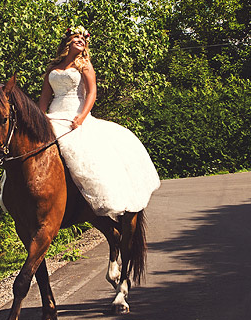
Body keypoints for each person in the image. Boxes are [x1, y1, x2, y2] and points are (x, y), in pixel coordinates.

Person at [37, 25, 160, 219]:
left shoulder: (84, 65)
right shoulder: (52, 68)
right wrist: (40, 116)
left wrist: (82, 117)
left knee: (80, 154)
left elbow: (92, 93)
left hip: (75, 114)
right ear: (68, 41)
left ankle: (85, 198)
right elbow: (45, 95)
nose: (81, 41)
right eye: (77, 37)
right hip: (54, 114)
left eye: (84, 39)